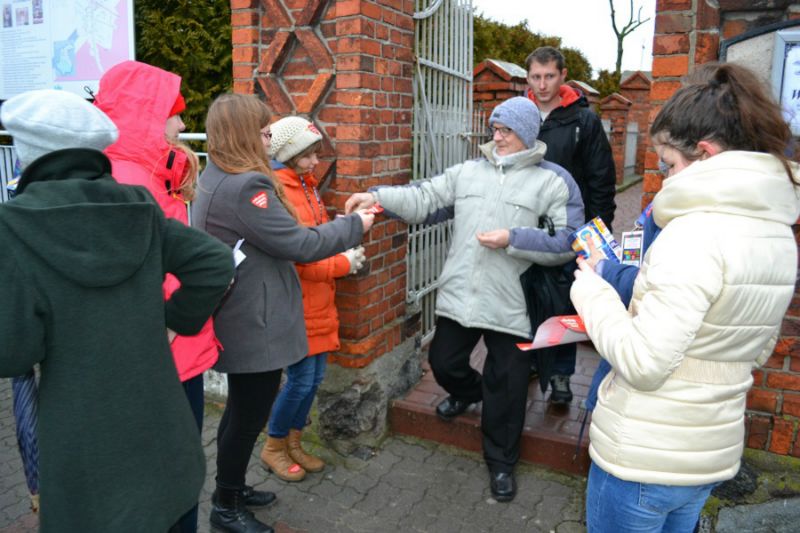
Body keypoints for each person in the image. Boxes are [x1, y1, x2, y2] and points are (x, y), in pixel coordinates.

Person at [570, 62, 800, 532]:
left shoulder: (693, 234)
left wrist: (592, 291)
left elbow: (643, 363)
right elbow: (756, 349)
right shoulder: (777, 234)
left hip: (644, 455)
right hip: (707, 455)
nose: (665, 180)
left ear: (706, 154)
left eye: (669, 165)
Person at [0, 89, 234, 532]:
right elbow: (215, 262)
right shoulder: (139, 205)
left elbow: (13, 353)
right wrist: (174, 319)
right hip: (165, 444)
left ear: (26, 153)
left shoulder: (12, 227)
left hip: (87, 461)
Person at [345, 96, 584, 502]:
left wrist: (513, 239)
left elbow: (569, 240)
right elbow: (423, 197)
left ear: (527, 134)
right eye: (495, 129)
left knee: (507, 385)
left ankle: (502, 462)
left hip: (514, 302)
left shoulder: (554, 180)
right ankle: (472, 393)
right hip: (462, 295)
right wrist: (377, 199)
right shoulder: (469, 172)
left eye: (506, 130)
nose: (497, 136)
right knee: (443, 362)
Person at [191, 94, 373, 533]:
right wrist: (356, 225)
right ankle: (226, 508)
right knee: (247, 417)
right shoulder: (246, 187)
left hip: (243, 313)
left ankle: (231, 489)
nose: (269, 137)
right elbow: (300, 244)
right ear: (242, 134)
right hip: (255, 320)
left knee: (241, 412)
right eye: (262, 130)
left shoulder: (217, 174)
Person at [94, 60, 219, 532]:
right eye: (174, 113)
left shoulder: (140, 173)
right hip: (166, 357)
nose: (183, 125)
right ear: (145, 113)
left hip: (169, 354)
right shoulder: (132, 182)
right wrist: (172, 322)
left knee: (171, 470)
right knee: (175, 472)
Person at [258, 116, 366, 482]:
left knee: (314, 377)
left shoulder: (306, 185)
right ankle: (273, 446)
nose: (315, 162)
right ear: (288, 156)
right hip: (299, 302)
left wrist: (340, 230)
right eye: (308, 155)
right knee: (301, 380)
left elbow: (315, 238)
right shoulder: (281, 192)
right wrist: (342, 263)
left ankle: (294, 442)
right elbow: (298, 255)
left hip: (318, 300)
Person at [525, 46, 617, 406]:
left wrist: (596, 232)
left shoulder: (583, 121)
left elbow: (600, 179)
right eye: (536, 76)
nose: (542, 84)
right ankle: (531, 361)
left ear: (563, 76)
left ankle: (561, 374)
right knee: (526, 300)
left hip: (569, 228)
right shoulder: (521, 114)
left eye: (549, 76)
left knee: (564, 301)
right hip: (526, 227)